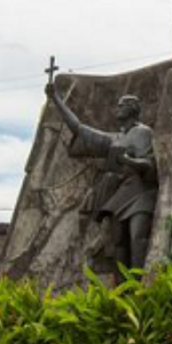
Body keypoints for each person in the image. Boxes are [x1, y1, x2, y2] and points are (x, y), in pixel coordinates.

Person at [46, 83, 159, 272]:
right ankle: (123, 289)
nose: (118, 108)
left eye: (122, 105)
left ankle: (140, 287)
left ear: (133, 109)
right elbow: (79, 129)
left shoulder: (142, 132)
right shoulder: (116, 138)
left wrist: (127, 160)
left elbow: (148, 164)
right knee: (118, 243)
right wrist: (56, 99)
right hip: (120, 194)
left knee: (138, 237)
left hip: (141, 192)